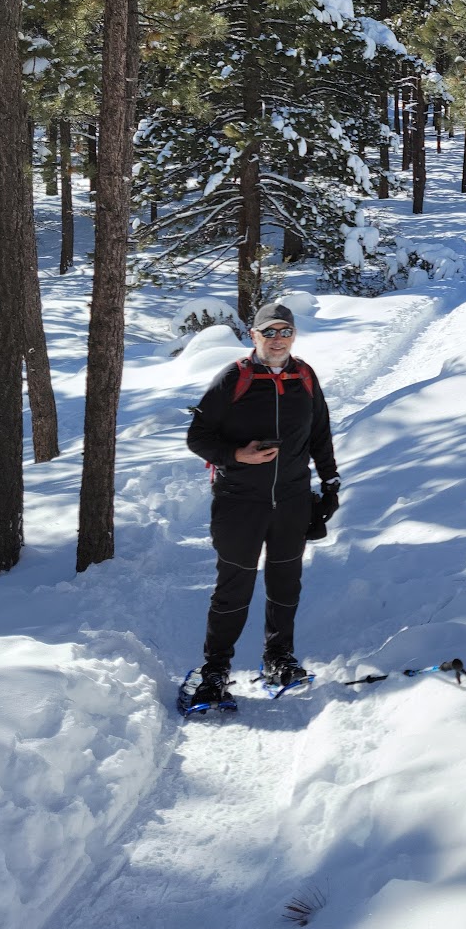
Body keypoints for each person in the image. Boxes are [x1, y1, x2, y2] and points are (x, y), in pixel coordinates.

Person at [183, 299, 340, 708]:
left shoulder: (304, 376)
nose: (277, 339)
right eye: (268, 331)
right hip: (240, 501)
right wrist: (240, 456)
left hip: (291, 500)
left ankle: (279, 658)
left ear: (294, 335)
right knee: (233, 588)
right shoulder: (234, 378)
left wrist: (330, 483)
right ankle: (215, 670)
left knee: (285, 583)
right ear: (253, 335)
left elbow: (320, 433)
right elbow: (197, 437)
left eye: (284, 331)